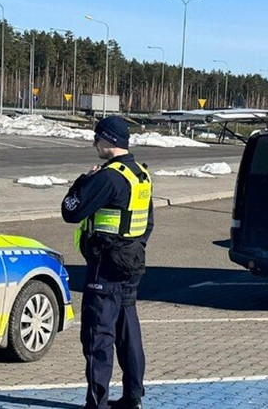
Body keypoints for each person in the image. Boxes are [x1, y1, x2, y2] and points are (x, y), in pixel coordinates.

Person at [61, 116, 154, 409]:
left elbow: (70, 211)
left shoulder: (108, 177)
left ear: (109, 140)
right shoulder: (140, 174)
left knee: (97, 334)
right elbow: (147, 222)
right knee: (128, 332)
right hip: (132, 261)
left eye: (96, 138)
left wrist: (84, 180)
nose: (94, 143)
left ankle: (97, 403)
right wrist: (133, 248)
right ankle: (133, 397)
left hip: (106, 265)